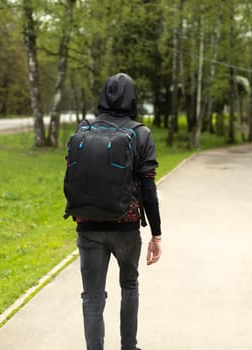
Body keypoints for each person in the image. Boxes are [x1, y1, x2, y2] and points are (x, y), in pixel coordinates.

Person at [75, 73, 162, 350]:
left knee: (92, 296)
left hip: (88, 227)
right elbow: (148, 189)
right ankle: (128, 347)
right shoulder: (140, 133)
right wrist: (156, 234)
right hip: (126, 227)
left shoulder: (85, 129)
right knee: (129, 286)